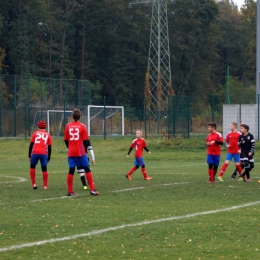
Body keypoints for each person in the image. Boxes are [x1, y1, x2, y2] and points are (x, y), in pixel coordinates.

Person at [64, 108, 99, 196]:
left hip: (71, 152)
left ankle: (70, 191)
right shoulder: (82, 126)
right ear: (80, 117)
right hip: (80, 151)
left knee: (71, 170)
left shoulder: (68, 126)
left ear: (72, 117)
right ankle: (92, 190)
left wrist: (69, 147)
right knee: (87, 169)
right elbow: (86, 141)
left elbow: (65, 140)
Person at [28, 120, 52, 190]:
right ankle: (45, 186)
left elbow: (31, 145)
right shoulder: (48, 135)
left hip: (35, 152)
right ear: (45, 127)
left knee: (32, 167)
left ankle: (34, 184)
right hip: (43, 153)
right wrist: (49, 157)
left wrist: (29, 155)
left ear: (38, 126)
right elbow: (50, 148)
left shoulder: (35, 134)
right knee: (44, 169)